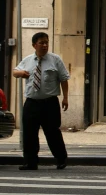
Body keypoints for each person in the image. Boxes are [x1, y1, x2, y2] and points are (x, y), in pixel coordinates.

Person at [12, 32, 69, 170]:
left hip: (50, 103)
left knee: (52, 132)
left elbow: (64, 79)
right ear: (34, 45)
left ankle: (61, 159)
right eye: (41, 43)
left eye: (46, 42)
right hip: (32, 103)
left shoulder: (55, 60)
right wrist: (21, 73)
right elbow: (14, 71)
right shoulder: (27, 60)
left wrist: (65, 98)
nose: (45, 45)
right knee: (29, 133)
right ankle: (30, 162)